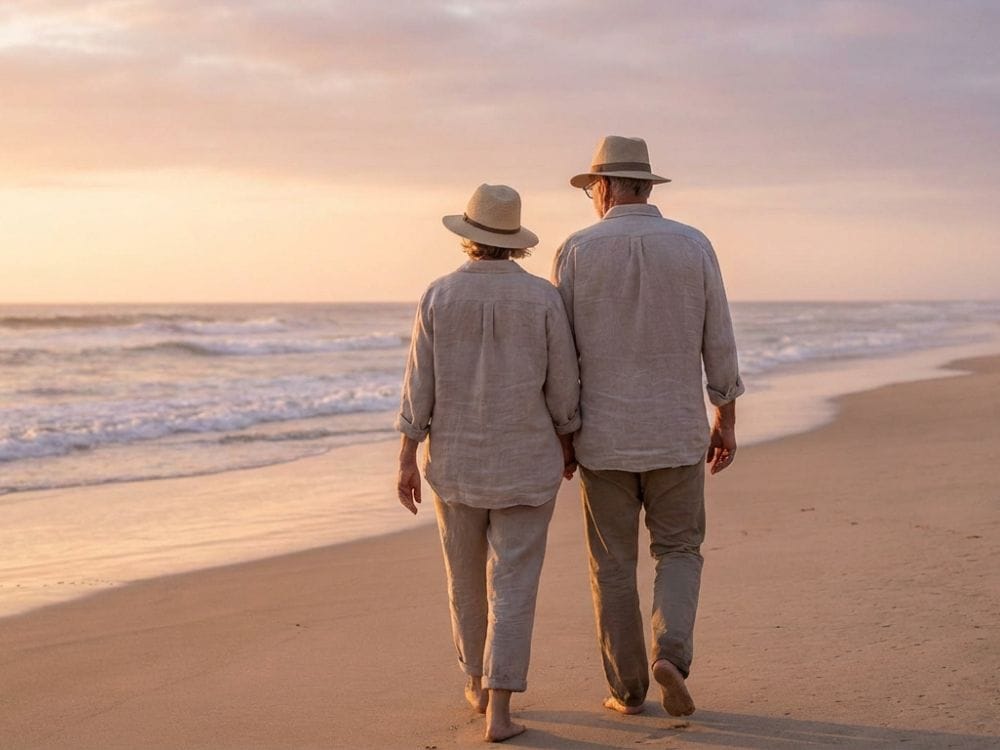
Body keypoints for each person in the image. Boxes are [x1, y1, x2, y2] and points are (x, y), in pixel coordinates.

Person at [551, 136, 744, 718]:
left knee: (611, 566)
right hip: (676, 430)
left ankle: (628, 689)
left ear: (604, 187)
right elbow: (719, 336)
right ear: (645, 185)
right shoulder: (693, 244)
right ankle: (672, 655)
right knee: (680, 550)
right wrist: (724, 416)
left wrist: (564, 430)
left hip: (604, 439)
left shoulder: (576, 250)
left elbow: (562, 355)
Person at [396, 183, 580, 743]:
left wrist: (407, 455)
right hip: (527, 463)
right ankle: (500, 709)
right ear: (515, 243)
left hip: (456, 464)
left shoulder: (438, 295)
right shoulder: (544, 299)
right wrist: (568, 438)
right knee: (515, 584)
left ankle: (474, 683)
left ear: (469, 238)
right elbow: (563, 386)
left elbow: (418, 387)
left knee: (465, 580)